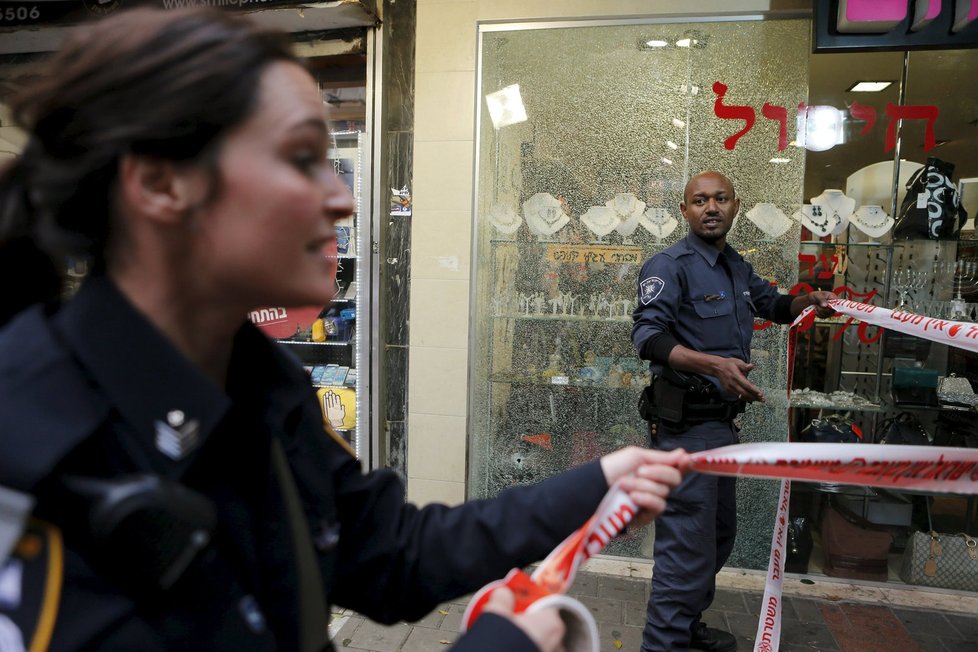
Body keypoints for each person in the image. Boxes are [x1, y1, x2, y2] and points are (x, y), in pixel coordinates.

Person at [0, 8, 693, 652]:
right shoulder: (31, 445)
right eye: (302, 157)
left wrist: (595, 485)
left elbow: (391, 555)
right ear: (159, 183)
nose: (341, 198)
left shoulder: (261, 387)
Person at [631, 171, 837, 652]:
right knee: (685, 550)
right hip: (684, 433)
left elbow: (777, 305)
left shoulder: (735, 267)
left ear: (735, 206)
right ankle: (662, 644)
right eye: (699, 200)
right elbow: (647, 338)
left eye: (720, 199)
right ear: (685, 210)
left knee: (718, 537)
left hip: (721, 429)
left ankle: (686, 629)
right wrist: (713, 365)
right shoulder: (670, 264)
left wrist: (812, 301)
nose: (710, 207)